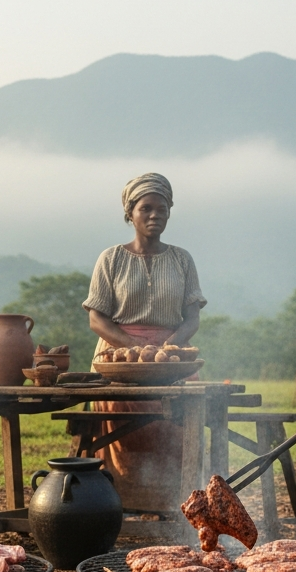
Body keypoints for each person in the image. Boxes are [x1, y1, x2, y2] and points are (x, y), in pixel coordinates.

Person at [82, 173, 207, 512]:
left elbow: (192, 318)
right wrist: (133, 348)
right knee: (121, 429)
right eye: (146, 208)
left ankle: (176, 506)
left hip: (171, 357)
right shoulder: (111, 259)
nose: (155, 215)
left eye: (162, 209)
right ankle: (117, 503)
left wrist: (167, 349)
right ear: (130, 213)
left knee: (178, 423)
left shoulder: (182, 260)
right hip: (117, 357)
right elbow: (97, 318)